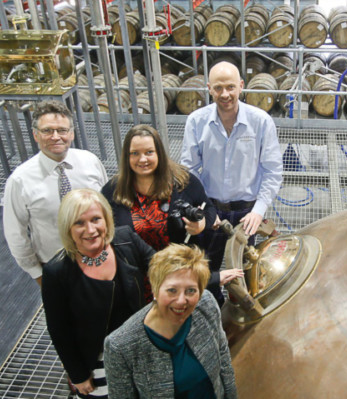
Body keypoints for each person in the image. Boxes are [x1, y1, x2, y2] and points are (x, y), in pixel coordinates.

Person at [101, 124, 242, 305]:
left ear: (159, 153)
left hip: (183, 273)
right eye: (135, 153)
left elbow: (209, 209)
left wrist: (201, 225)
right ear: (126, 157)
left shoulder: (182, 181)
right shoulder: (114, 190)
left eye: (149, 152)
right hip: (139, 281)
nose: (142, 159)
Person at [42, 189, 155, 398]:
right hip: (98, 360)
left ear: (106, 220)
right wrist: (78, 374)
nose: (90, 229)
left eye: (96, 219)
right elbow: (60, 331)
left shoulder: (125, 239)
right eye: (79, 223)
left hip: (139, 347)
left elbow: (163, 267)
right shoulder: (56, 273)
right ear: (67, 228)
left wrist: (212, 277)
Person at [181, 61, 283, 270]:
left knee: (246, 270)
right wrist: (203, 206)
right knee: (206, 269)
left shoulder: (261, 122)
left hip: (246, 212)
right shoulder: (196, 121)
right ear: (209, 88)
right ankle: (213, 302)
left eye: (230, 87)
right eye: (218, 88)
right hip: (210, 208)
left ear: (241, 86)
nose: (225, 94)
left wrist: (259, 210)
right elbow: (188, 170)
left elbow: (272, 171)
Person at [104, 244, 238, 399]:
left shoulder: (206, 303)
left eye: (191, 290)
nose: (181, 301)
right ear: (155, 289)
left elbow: (223, 357)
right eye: (172, 290)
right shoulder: (120, 345)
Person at [3, 100, 108, 287]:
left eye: (62, 130)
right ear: (35, 135)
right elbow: (15, 234)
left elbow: (109, 208)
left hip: (100, 257)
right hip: (56, 266)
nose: (55, 136)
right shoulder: (20, 180)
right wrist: (37, 274)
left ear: (72, 133)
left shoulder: (90, 162)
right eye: (47, 131)